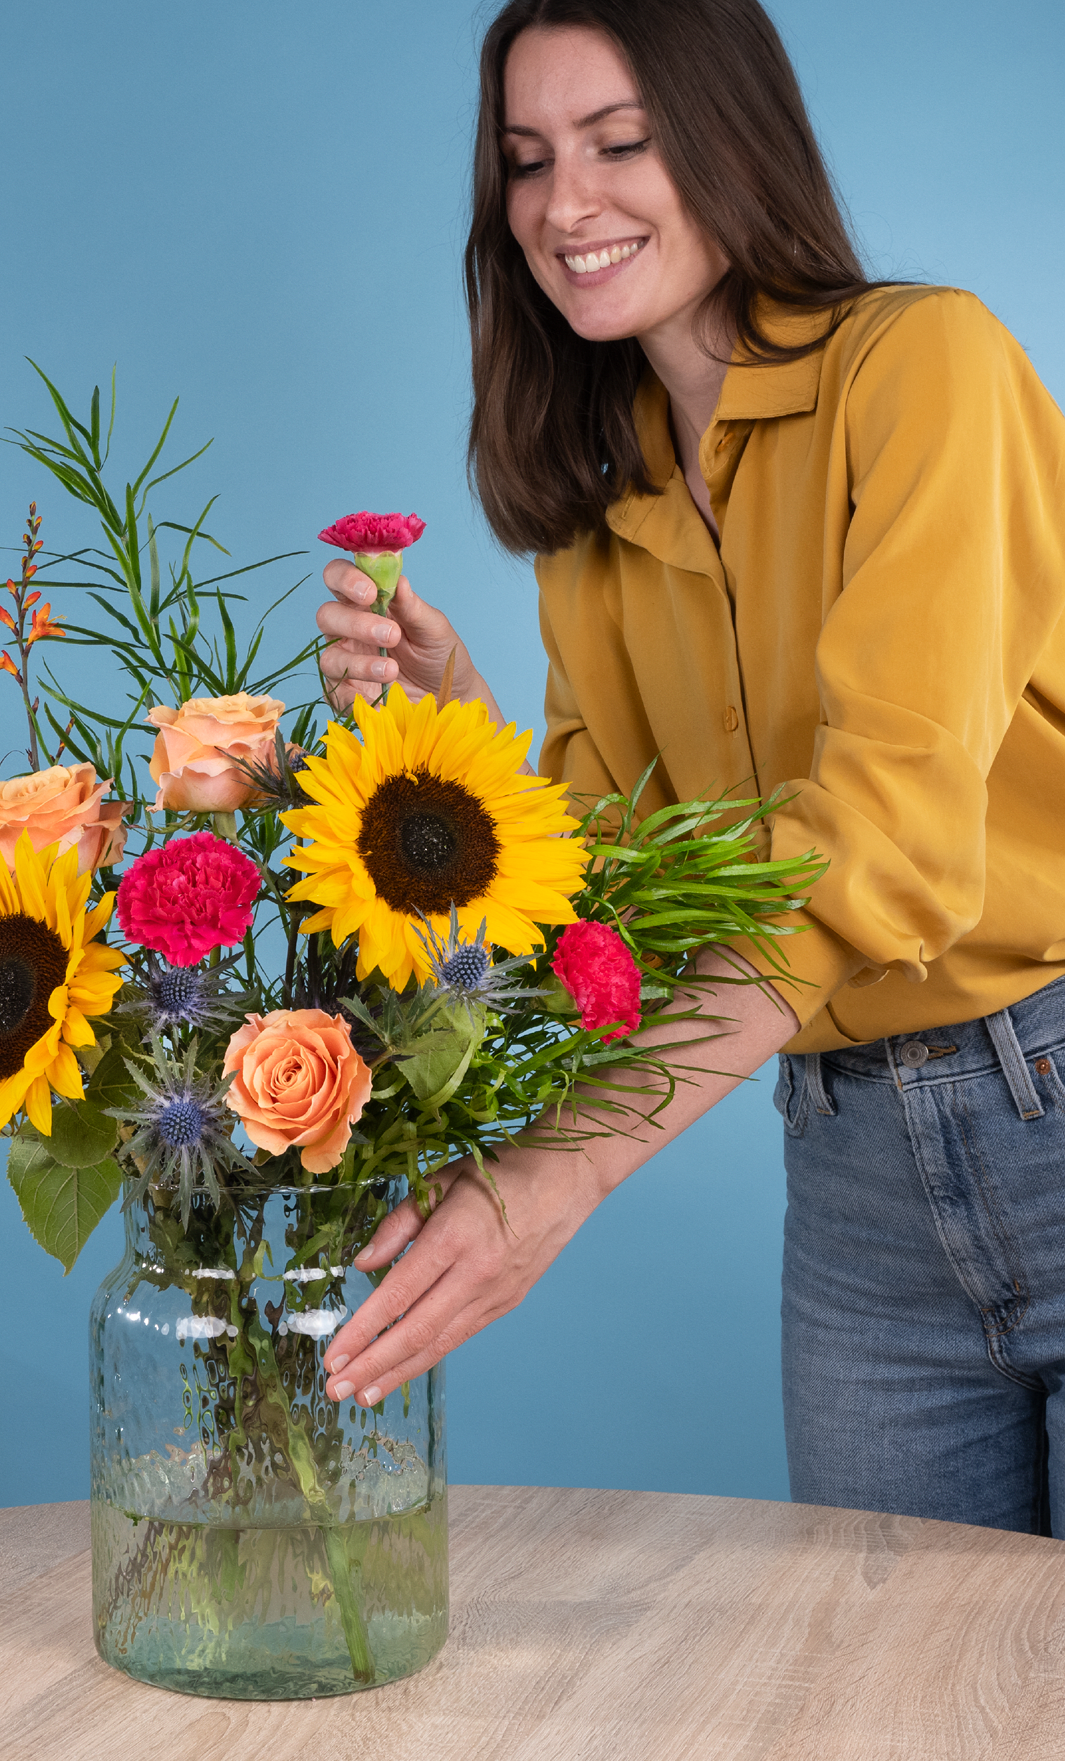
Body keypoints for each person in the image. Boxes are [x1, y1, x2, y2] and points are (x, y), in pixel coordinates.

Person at [315, 0, 1065, 1534]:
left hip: (1047, 1081)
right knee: (892, 1716)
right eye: (525, 161)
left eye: (619, 141)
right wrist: (453, 728)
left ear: (729, 137)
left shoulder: (927, 368)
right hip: (853, 1189)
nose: (563, 205)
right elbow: (621, 903)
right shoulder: (601, 509)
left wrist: (563, 1171)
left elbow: (884, 840)